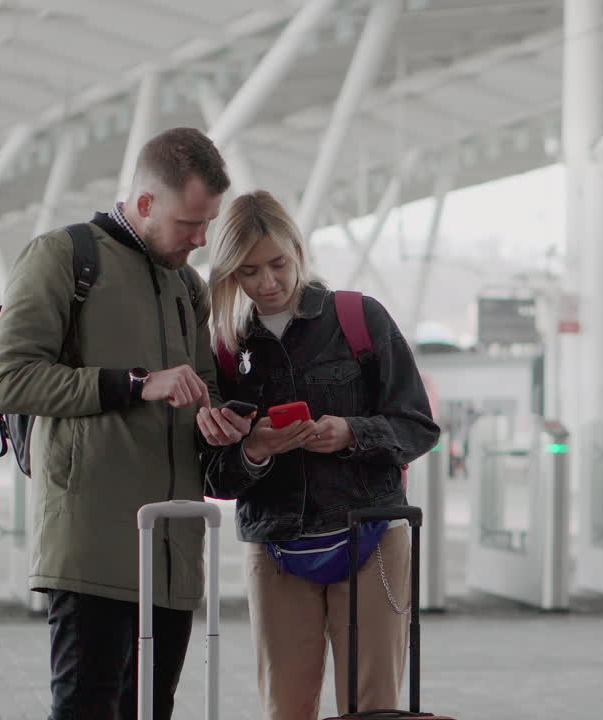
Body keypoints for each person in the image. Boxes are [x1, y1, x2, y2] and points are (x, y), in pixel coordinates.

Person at [0, 127, 250, 719]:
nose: (202, 239)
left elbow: (202, 389)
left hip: (173, 551)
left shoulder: (188, 285)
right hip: (92, 552)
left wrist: (218, 419)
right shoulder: (63, 257)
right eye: (190, 224)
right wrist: (133, 383)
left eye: (208, 223)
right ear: (147, 203)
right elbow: (10, 378)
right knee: (87, 710)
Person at [198, 191, 440, 719]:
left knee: (372, 709)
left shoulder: (358, 318)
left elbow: (418, 425)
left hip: (371, 537)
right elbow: (212, 475)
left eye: (278, 263)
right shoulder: (224, 349)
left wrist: (351, 433)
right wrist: (256, 449)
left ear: (299, 249)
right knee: (285, 707)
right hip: (276, 549)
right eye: (248, 272)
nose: (267, 283)